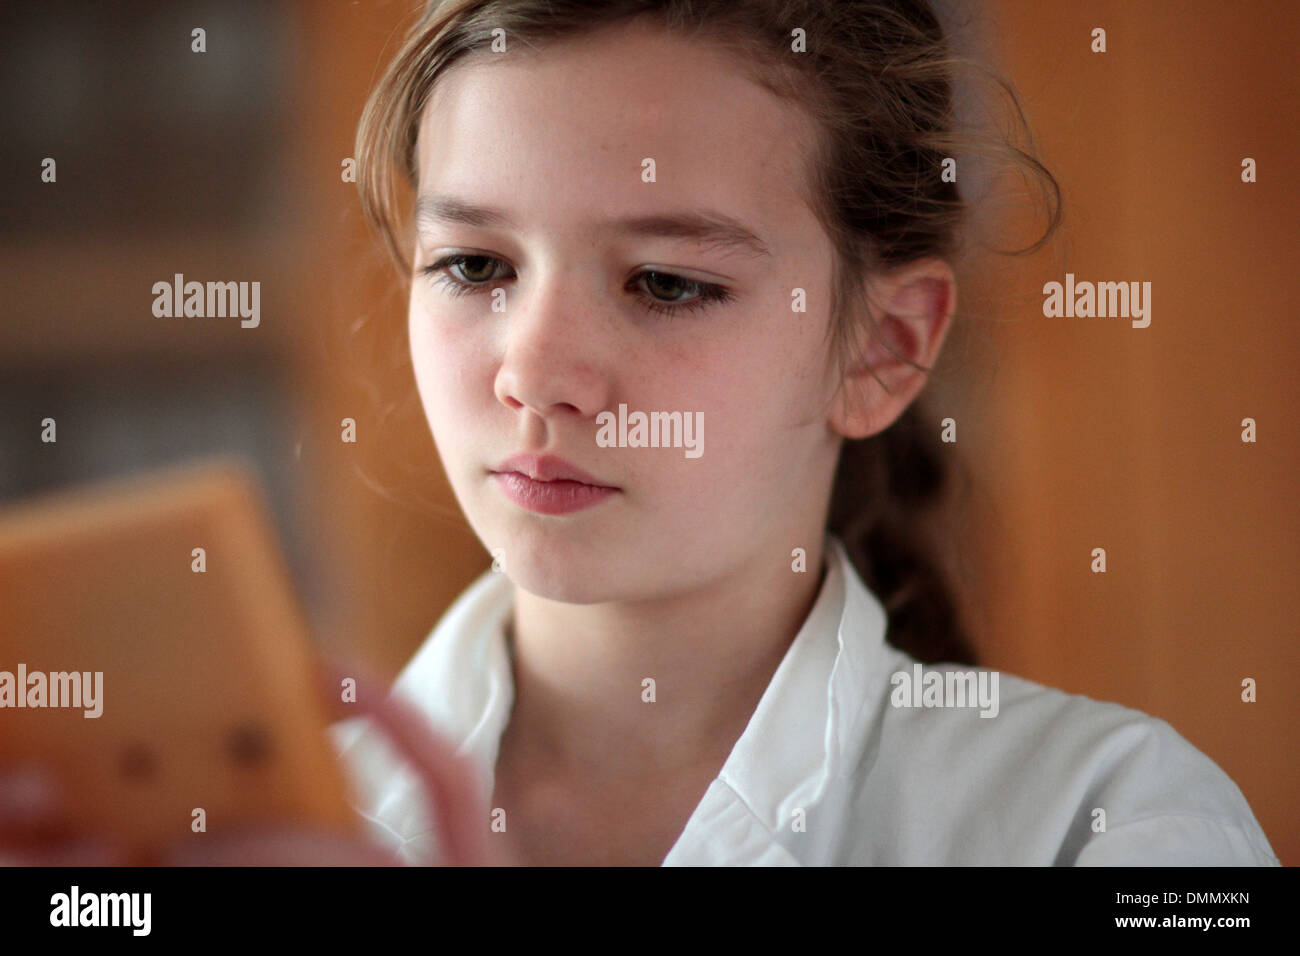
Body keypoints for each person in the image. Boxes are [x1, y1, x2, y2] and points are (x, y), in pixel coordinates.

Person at [1, 0, 1279, 867]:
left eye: (668, 282)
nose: (537, 373)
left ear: (885, 345)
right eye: (472, 264)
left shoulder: (1110, 824)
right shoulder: (213, 831)